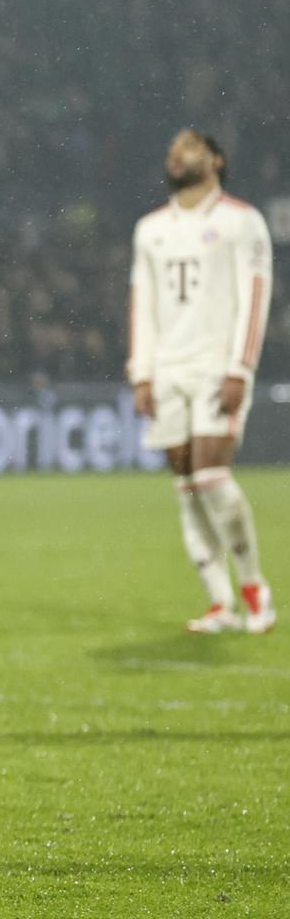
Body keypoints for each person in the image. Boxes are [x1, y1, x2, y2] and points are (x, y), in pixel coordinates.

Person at [128, 129, 275, 635]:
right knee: (187, 485)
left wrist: (240, 368)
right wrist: (141, 371)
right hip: (168, 368)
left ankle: (255, 589)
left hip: (216, 364)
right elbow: (142, 304)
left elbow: (255, 297)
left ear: (216, 160)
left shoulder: (241, 221)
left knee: (213, 476)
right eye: (172, 148)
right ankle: (220, 603)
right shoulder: (150, 229)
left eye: (189, 146)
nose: (177, 153)